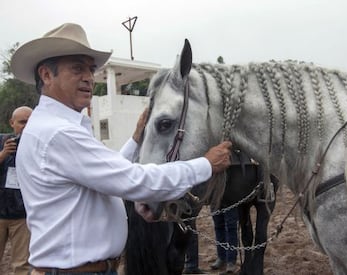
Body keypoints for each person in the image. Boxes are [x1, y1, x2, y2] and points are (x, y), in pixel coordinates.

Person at [10, 22, 232, 275]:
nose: (88, 78)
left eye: (91, 70)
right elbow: (134, 179)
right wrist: (205, 164)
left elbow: (100, 174)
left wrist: (135, 140)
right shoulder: (59, 133)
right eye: (77, 68)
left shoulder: (52, 127)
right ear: (47, 75)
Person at [0, 106, 32, 275]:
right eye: (22, 122)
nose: (26, 126)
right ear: (12, 123)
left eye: (30, 122)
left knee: (22, 265)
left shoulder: (36, 146)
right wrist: (4, 153)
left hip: (22, 215)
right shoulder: (2, 141)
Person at [210, 207, 238, 274]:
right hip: (215, 201)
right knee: (218, 226)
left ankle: (231, 261)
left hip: (231, 201)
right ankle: (221, 257)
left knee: (231, 228)